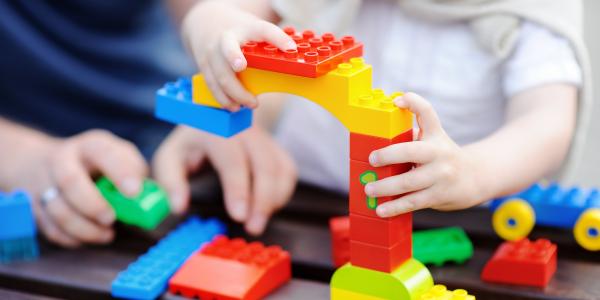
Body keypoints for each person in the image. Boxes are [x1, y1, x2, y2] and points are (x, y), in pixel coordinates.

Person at [182, 0, 590, 217]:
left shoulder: (533, 11)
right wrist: (212, 25)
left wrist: (474, 172)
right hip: (307, 199)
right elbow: (229, 11)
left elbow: (547, 121)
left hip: (456, 217)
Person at [0, 0, 296, 248]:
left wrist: (231, 99)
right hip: (34, 177)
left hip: (171, 125)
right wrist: (22, 158)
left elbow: (220, 14)